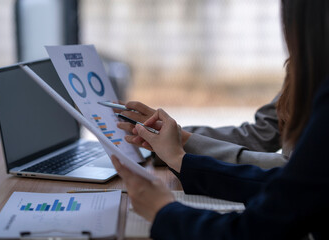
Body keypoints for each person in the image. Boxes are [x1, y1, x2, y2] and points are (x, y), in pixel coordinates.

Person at [111, 0, 329, 239]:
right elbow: (283, 173)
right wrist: (182, 150)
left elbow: (259, 225)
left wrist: (164, 211)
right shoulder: (308, 68)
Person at [117, 95, 289, 169]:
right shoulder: (302, 61)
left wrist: (183, 142)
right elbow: (263, 134)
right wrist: (176, 137)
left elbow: (296, 170)